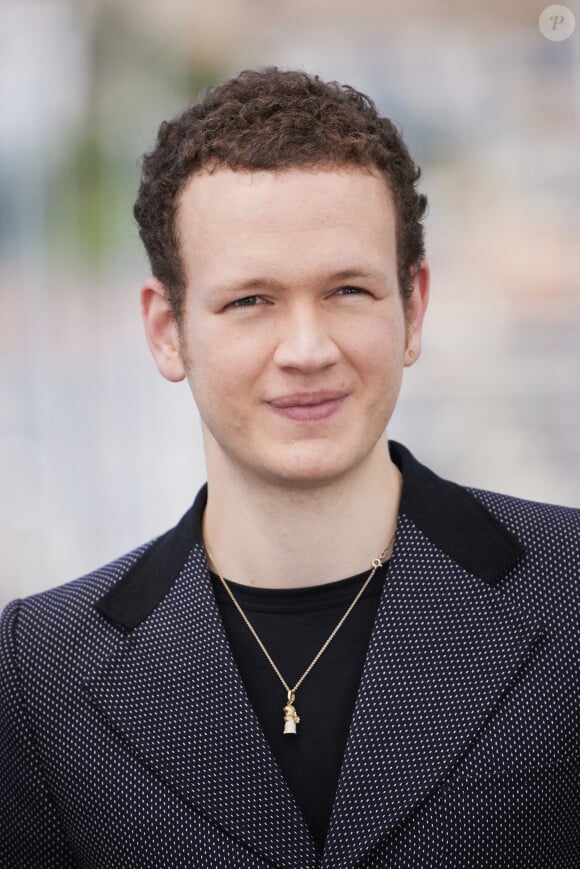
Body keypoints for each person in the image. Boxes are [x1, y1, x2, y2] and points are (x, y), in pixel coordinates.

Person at [1, 67, 578, 869]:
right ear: (167, 330)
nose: (307, 351)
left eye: (346, 289)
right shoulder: (39, 670)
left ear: (414, 307)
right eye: (251, 301)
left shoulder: (571, 583)